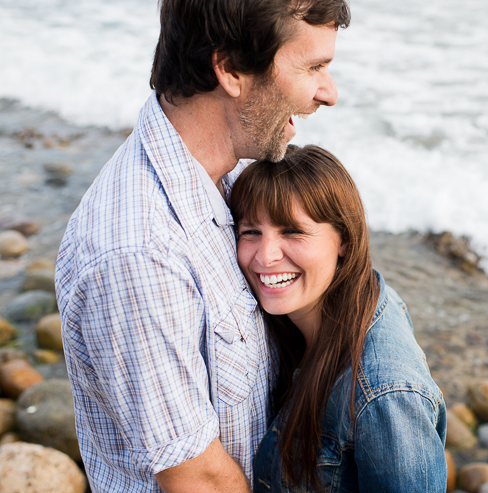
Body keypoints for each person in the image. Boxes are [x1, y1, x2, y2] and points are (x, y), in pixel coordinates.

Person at [54, 1, 349, 491]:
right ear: (230, 68)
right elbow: (199, 480)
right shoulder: (140, 255)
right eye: (313, 66)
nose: (328, 93)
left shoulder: (228, 176)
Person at [228, 144, 448, 492]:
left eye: (292, 232)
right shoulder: (353, 297)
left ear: (343, 239)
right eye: (250, 232)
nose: (265, 257)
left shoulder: (383, 396)